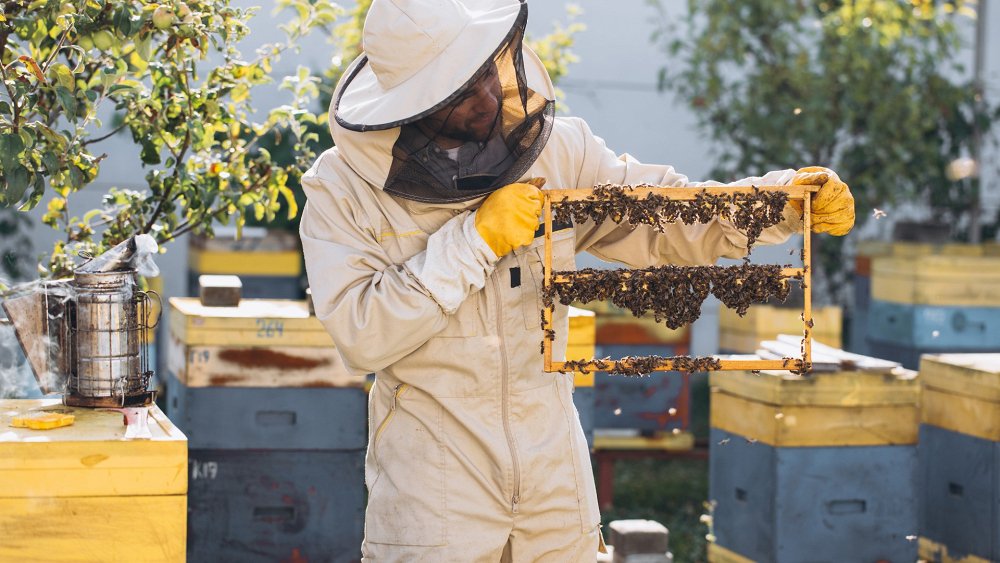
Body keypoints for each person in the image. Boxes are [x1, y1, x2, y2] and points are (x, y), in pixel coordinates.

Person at [299, 0, 855, 560]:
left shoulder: (559, 152)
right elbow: (362, 333)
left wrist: (776, 204)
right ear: (417, 102)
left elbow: (659, 214)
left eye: (490, 71)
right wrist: (474, 242)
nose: (490, 97)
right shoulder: (342, 190)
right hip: (434, 482)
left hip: (553, 472)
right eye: (464, 92)